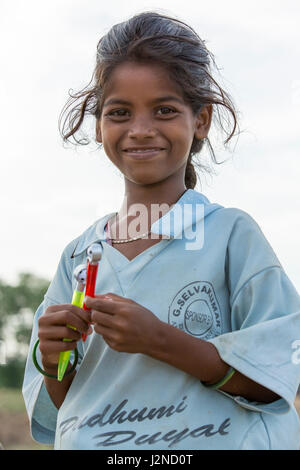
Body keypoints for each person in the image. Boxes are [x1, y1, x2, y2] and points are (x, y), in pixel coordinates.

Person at [23, 11, 300, 450]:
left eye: (165, 110)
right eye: (119, 112)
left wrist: (160, 340)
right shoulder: (79, 255)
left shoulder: (231, 236)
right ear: (99, 127)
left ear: (202, 120)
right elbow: (66, 402)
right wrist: (54, 355)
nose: (140, 130)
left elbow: (275, 380)